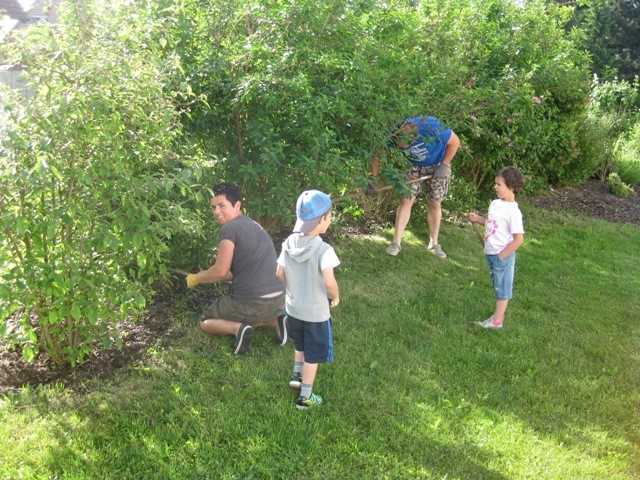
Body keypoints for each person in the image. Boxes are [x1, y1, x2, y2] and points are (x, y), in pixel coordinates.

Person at [186, 182, 286, 355]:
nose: (216, 211)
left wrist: (196, 278)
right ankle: (274, 321)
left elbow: (220, 272)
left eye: (222, 206)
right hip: (280, 301)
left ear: (237, 205)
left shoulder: (229, 229)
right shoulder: (255, 226)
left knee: (205, 321)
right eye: (213, 207)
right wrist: (205, 273)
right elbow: (235, 272)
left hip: (252, 304)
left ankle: (238, 329)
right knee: (257, 310)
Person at [276, 190, 340, 410]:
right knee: (312, 355)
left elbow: (279, 272)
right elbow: (329, 282)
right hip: (315, 314)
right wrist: (334, 296)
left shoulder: (289, 243)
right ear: (321, 219)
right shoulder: (324, 250)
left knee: (300, 343)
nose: (330, 220)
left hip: (293, 309)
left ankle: (297, 374)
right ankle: (305, 397)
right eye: (329, 217)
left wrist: (293, 287)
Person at [368, 115, 460, 258]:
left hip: (439, 162)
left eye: (404, 146)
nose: (400, 148)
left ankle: (434, 243)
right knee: (406, 200)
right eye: (399, 146)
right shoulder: (392, 133)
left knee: (434, 202)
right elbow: (377, 155)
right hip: (414, 165)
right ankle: (396, 243)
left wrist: (444, 165)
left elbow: (455, 142)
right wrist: (373, 178)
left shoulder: (432, 127)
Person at [467, 167, 526, 329]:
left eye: (499, 184)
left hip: (502, 256)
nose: (495, 187)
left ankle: (496, 321)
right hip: (491, 253)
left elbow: (518, 239)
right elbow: (492, 224)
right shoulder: (495, 203)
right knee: (497, 284)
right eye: (495, 183)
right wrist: (478, 219)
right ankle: (499, 315)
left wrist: (501, 256)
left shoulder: (513, 212)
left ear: (511, 187)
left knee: (502, 289)